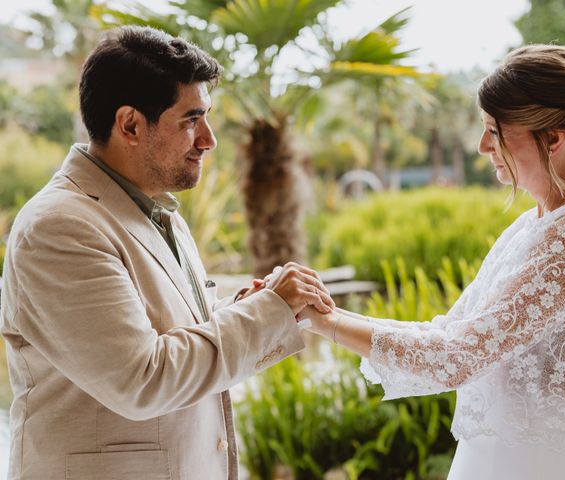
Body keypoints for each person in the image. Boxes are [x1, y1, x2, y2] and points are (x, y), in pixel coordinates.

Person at [0, 26, 333, 480]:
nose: (209, 139)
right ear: (130, 125)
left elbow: (172, 332)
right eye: (192, 120)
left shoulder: (158, 211)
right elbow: (143, 379)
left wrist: (254, 307)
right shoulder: (58, 227)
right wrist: (267, 312)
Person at [301, 45, 565, 479]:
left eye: (496, 131)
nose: (483, 146)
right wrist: (323, 312)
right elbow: (450, 332)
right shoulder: (538, 222)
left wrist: (322, 322)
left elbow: (457, 356)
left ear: (553, 137)